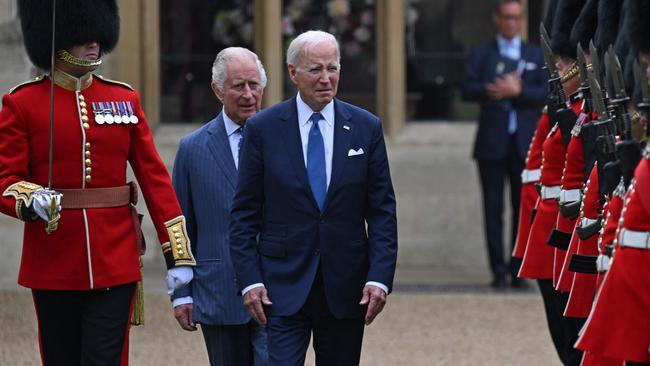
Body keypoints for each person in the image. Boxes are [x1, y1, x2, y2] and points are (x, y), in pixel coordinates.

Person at [0, 1, 194, 365]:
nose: (94, 45)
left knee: (104, 358)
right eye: (82, 38)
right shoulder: (22, 103)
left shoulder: (122, 99)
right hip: (53, 258)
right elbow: (5, 180)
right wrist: (29, 199)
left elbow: (156, 182)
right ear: (57, 40)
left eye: (97, 37)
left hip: (114, 258)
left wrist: (177, 254)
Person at [229, 30, 397, 365]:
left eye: (332, 68)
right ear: (293, 73)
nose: (326, 78)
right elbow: (244, 214)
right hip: (281, 286)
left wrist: (379, 277)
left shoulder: (366, 127)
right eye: (315, 70)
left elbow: (381, 211)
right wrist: (250, 281)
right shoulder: (264, 129)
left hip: (346, 287)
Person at [171, 47, 268, 366]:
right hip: (219, 289)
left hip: (277, 290)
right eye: (238, 86)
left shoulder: (284, 140)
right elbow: (179, 227)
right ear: (217, 90)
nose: (249, 94)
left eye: (254, 85)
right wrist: (182, 292)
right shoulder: (192, 149)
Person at [461, 0, 547, 289]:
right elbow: (466, 89)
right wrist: (493, 89)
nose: (511, 23)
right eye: (506, 17)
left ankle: (518, 269)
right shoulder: (482, 53)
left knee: (522, 208)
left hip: (524, 143)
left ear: (522, 20)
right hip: (492, 141)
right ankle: (497, 269)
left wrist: (518, 91)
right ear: (497, 19)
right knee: (492, 207)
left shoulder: (535, 53)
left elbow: (547, 92)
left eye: (516, 18)